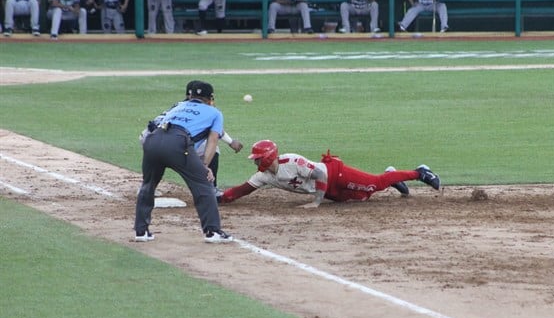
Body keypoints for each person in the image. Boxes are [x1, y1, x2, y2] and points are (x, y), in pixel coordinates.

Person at [135, 81, 233, 243]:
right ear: (210, 98)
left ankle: (141, 231)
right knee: (204, 183)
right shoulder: (215, 112)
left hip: (152, 141)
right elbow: (213, 139)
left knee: (148, 185)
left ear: (190, 96)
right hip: (177, 143)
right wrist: (204, 167)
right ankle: (212, 231)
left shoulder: (178, 106)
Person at [219, 140, 441, 208]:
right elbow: (240, 191)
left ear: (267, 157)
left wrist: (316, 203)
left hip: (334, 175)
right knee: (362, 197)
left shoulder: (292, 161)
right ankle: (392, 175)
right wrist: (218, 198)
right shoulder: (265, 176)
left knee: (374, 184)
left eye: (257, 158)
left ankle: (419, 172)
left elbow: (320, 176)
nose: (255, 161)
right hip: (327, 192)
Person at [140, 81, 244, 191]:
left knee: (158, 160)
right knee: (212, 150)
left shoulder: (179, 106)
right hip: (172, 141)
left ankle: (147, 187)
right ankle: (211, 188)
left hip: (149, 137)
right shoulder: (204, 109)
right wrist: (230, 142)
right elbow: (213, 132)